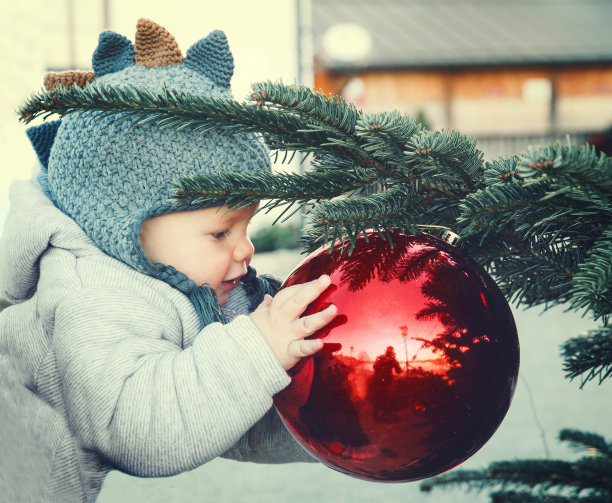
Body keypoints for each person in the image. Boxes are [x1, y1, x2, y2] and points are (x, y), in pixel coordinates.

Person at [0, 19, 337, 502]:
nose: (245, 250)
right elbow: (141, 429)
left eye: (246, 226)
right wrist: (257, 351)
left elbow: (224, 414)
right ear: (124, 224)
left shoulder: (179, 281)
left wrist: (333, 412)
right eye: (221, 232)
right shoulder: (90, 297)